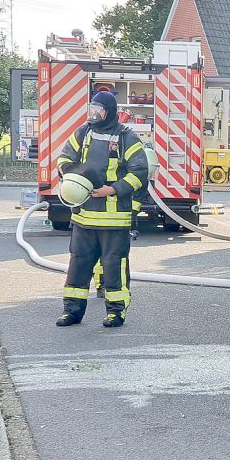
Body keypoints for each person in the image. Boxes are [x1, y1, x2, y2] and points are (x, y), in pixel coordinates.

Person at [55, 90, 148, 328]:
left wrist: (112, 190)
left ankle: (116, 311)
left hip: (114, 218)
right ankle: (72, 311)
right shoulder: (83, 133)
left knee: (114, 266)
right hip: (84, 216)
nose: (94, 115)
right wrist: (72, 178)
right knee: (79, 264)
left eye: (100, 110)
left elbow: (139, 174)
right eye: (92, 109)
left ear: (111, 112)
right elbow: (64, 159)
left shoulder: (127, 138)